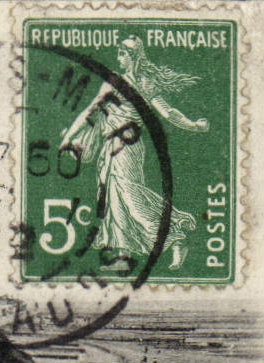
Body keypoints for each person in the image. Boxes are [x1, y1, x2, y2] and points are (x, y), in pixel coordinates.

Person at [58, 37, 208, 270]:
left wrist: (194, 125)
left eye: (122, 53)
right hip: (111, 148)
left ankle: (175, 239)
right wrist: (68, 138)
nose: (118, 58)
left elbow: (168, 113)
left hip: (127, 148)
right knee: (114, 200)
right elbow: (91, 112)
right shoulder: (113, 83)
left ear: (133, 57)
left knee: (130, 197)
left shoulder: (144, 84)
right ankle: (123, 256)